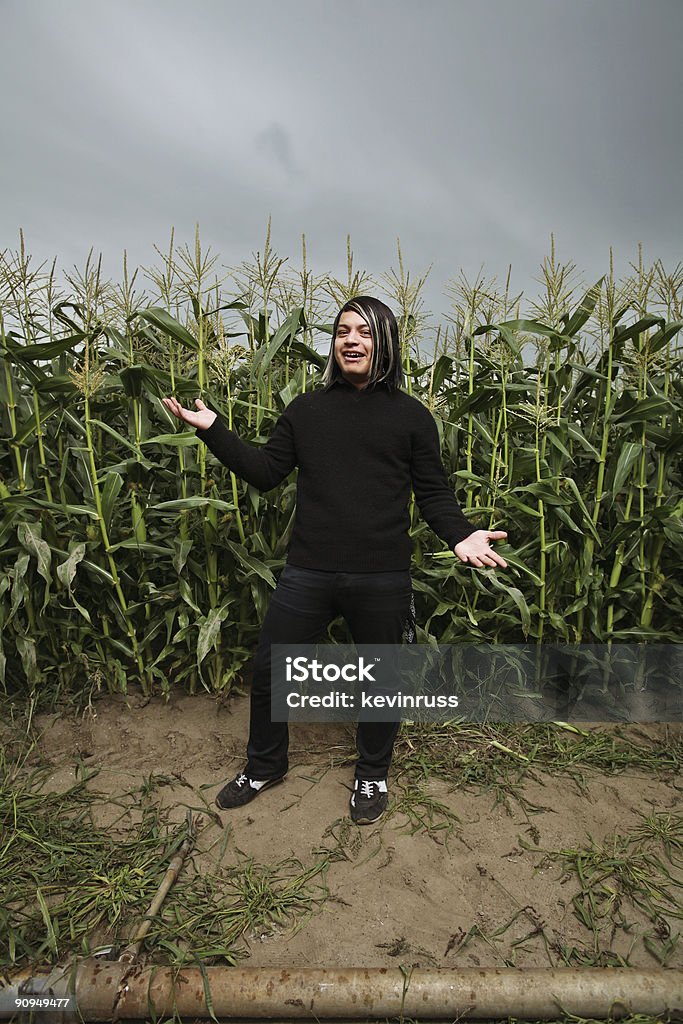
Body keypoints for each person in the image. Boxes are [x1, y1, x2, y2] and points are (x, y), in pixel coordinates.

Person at [162, 296, 508, 824]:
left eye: (364, 332)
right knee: (271, 669)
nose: (351, 340)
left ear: (384, 342)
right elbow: (264, 471)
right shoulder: (306, 410)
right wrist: (213, 429)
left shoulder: (412, 417)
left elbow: (434, 493)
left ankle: (372, 772)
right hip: (310, 570)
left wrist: (460, 536)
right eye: (343, 331)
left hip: (382, 574)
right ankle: (265, 766)